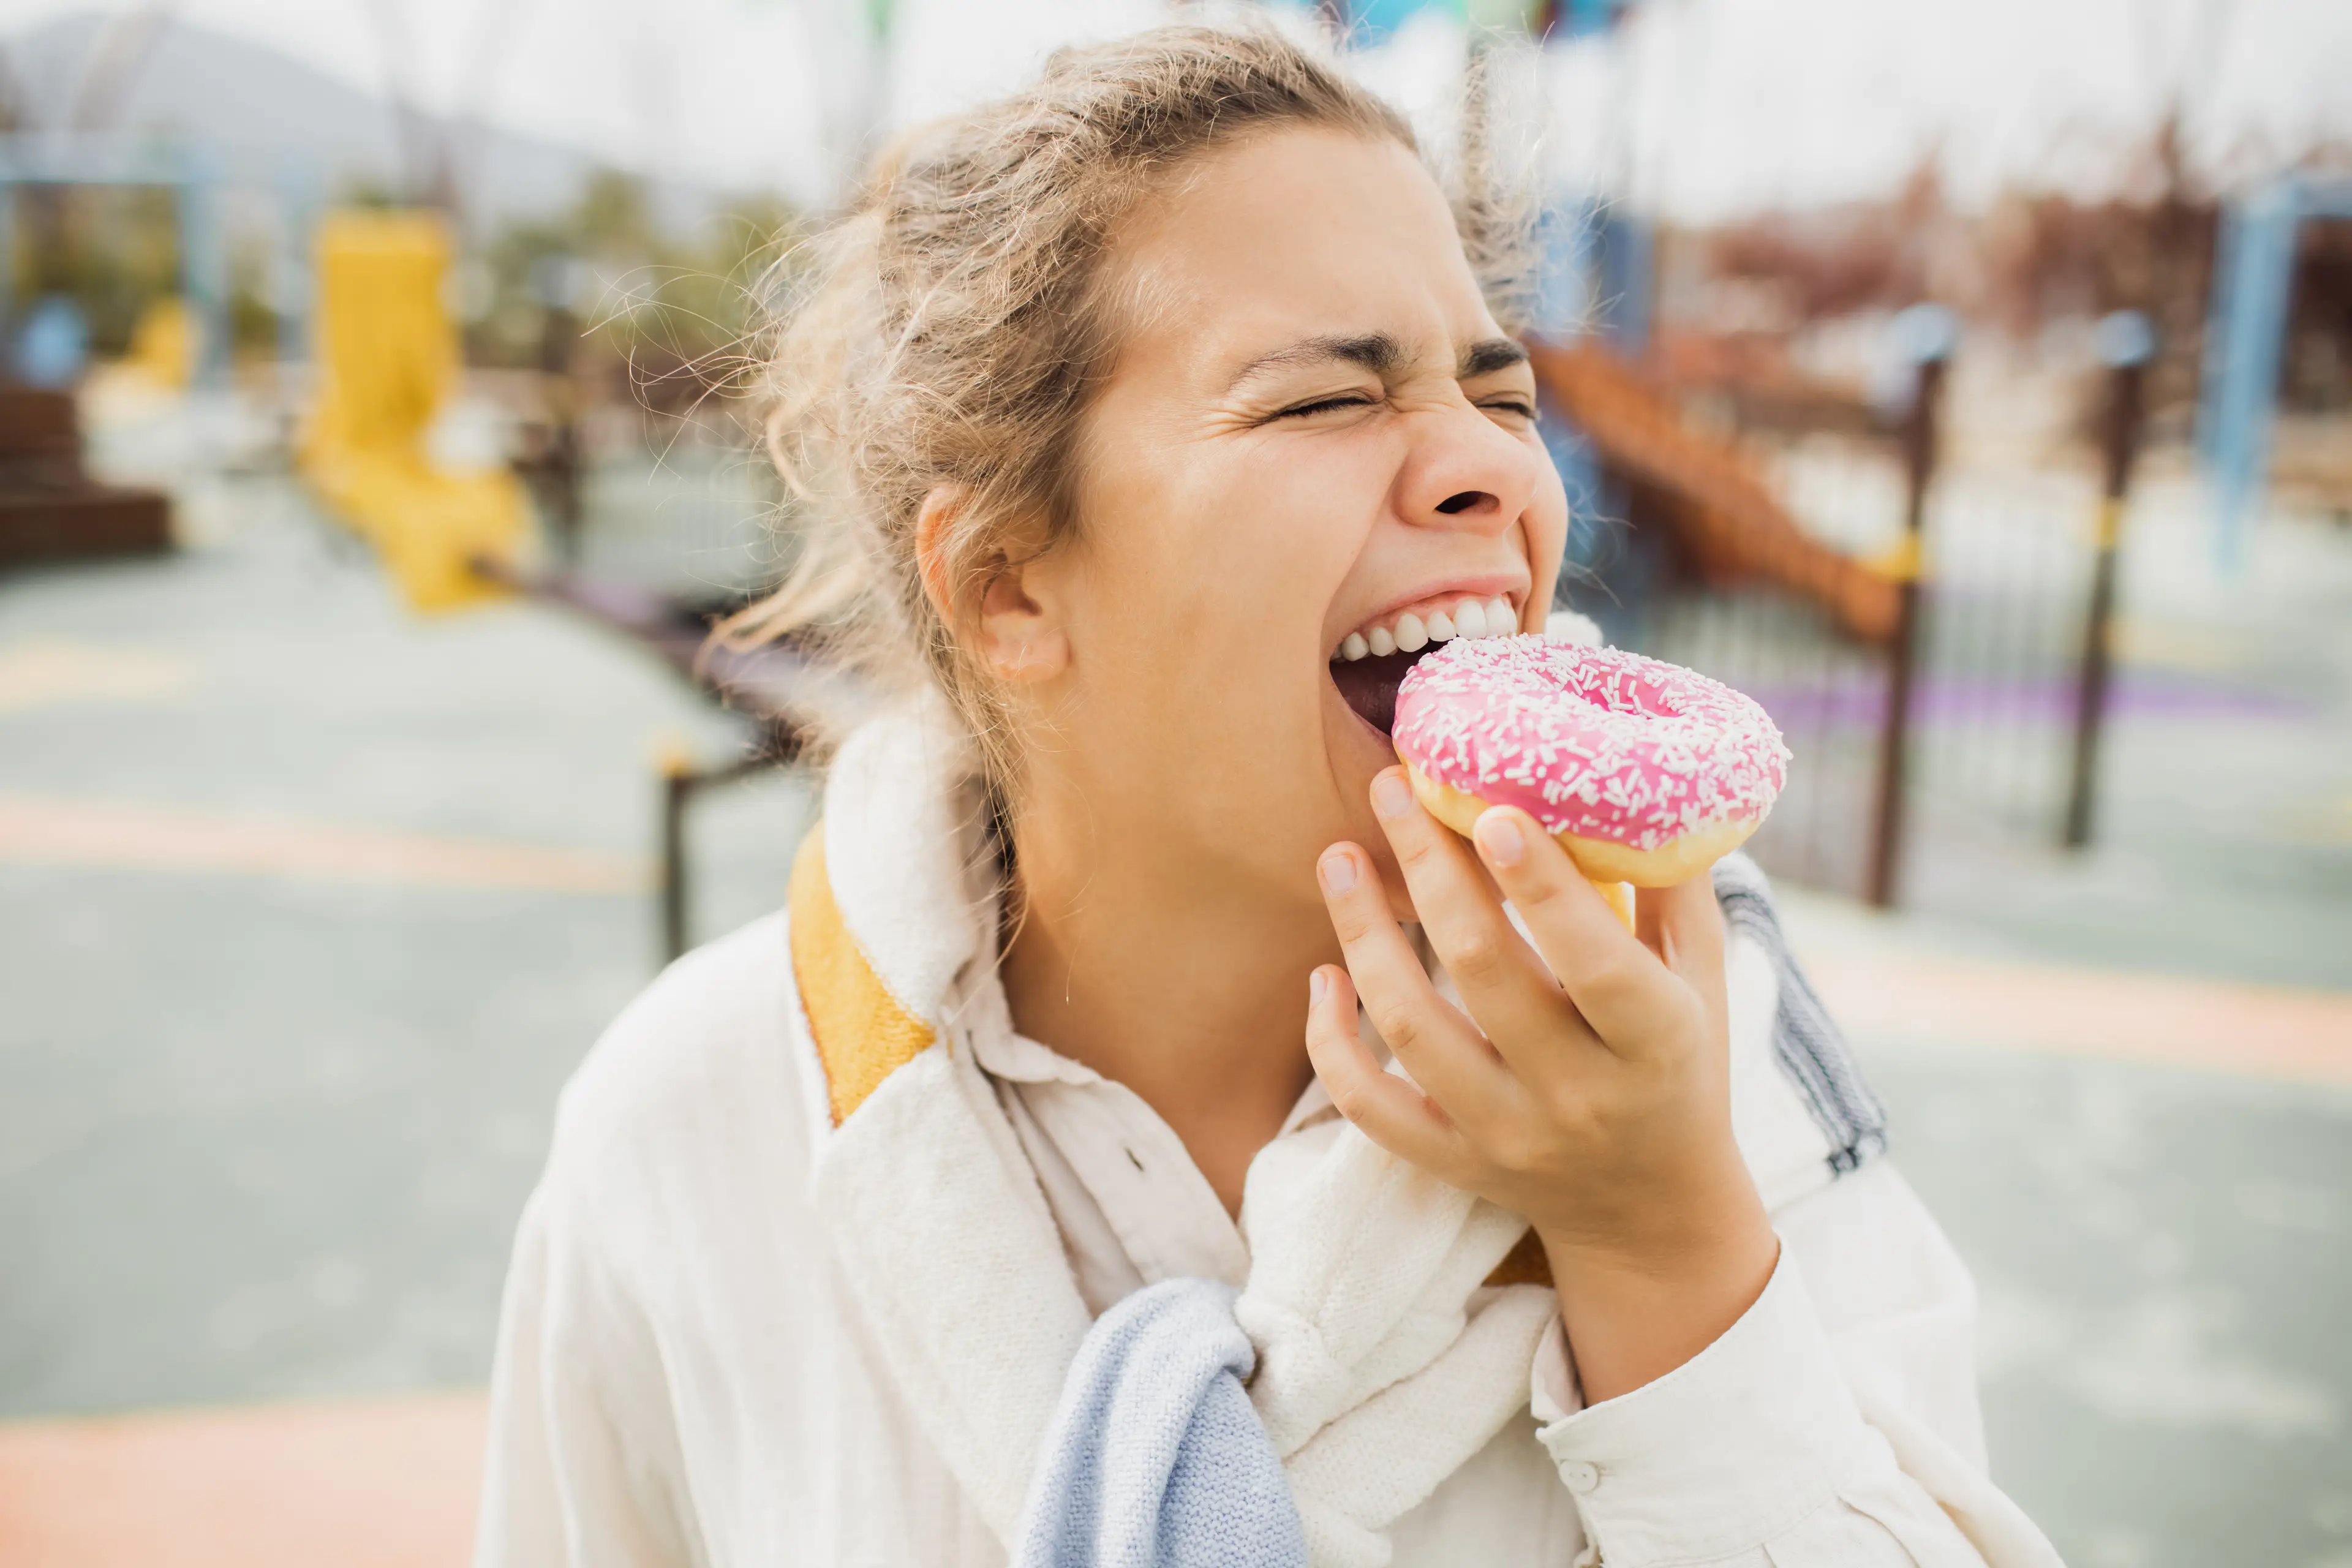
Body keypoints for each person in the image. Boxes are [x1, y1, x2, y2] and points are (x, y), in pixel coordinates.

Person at [476, 26, 2059, 1567]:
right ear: (1010, 584)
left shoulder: (1699, 1040)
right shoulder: (692, 1131)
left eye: (1501, 398)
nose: (1496, 471)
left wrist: (1657, 1239)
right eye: (1325, 400)